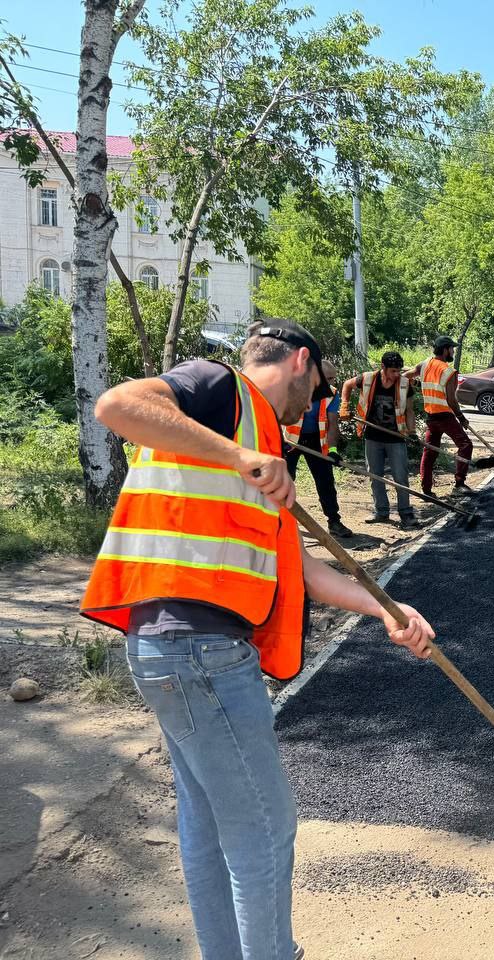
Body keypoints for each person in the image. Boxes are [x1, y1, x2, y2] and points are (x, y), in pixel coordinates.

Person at [81, 319, 435, 960]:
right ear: (302, 361)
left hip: (176, 652)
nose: (318, 402)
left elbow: (292, 567)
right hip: (200, 652)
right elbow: (117, 405)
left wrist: (384, 608)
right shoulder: (222, 389)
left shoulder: (264, 441)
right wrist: (241, 456)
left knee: (214, 825)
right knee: (265, 827)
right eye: (320, 385)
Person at [338, 351, 418, 530]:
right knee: (375, 476)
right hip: (373, 436)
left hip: (396, 438)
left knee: (400, 477)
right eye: (393, 371)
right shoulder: (367, 379)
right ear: (383, 368)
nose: (397, 375)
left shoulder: (405, 385)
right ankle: (381, 511)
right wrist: (344, 406)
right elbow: (346, 385)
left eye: (399, 371)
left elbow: (409, 411)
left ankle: (405, 512)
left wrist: (412, 432)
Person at [282, 359, 352, 538]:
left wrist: (333, 450)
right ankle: (280, 522)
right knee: (284, 481)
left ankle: (334, 522)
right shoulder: (292, 388)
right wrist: (278, 440)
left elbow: (333, 424)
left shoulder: (332, 394)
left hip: (316, 441)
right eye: (328, 379)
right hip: (289, 440)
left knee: (325, 481)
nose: (332, 383)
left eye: (333, 379)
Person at [411, 336, 475, 497]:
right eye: (452, 348)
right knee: (466, 445)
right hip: (445, 416)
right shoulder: (449, 371)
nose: (453, 351)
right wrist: (461, 417)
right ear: (445, 349)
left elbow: (406, 377)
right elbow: (451, 399)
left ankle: (426, 489)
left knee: (430, 451)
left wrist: (418, 385)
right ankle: (459, 484)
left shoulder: (424, 364)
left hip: (431, 417)